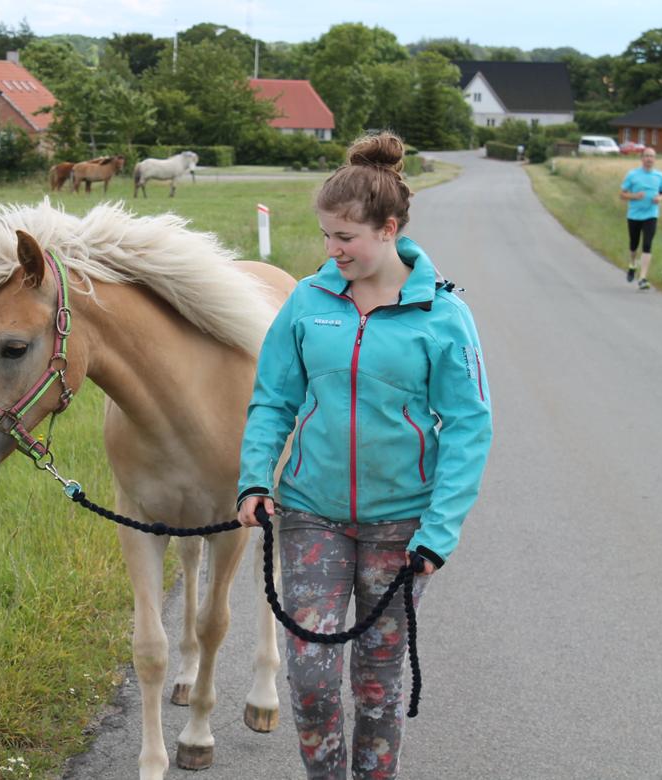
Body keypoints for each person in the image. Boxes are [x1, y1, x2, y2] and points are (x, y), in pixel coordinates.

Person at [236, 132, 493, 779]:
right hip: (311, 514)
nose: (332, 250)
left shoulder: (443, 315)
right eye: (326, 236)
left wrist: (440, 532)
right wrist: (253, 481)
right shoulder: (307, 302)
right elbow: (272, 400)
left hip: (402, 527)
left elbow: (469, 427)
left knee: (378, 684)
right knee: (312, 675)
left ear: (389, 228)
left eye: (345, 237)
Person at [620, 147, 662, 290]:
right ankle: (632, 264)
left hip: (651, 214)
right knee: (634, 245)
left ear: (655, 159)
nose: (649, 159)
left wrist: (660, 198)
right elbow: (622, 194)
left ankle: (642, 278)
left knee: (647, 244)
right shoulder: (632, 175)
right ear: (642, 158)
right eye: (646, 156)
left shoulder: (660, 176)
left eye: (652, 156)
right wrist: (635, 196)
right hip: (634, 215)